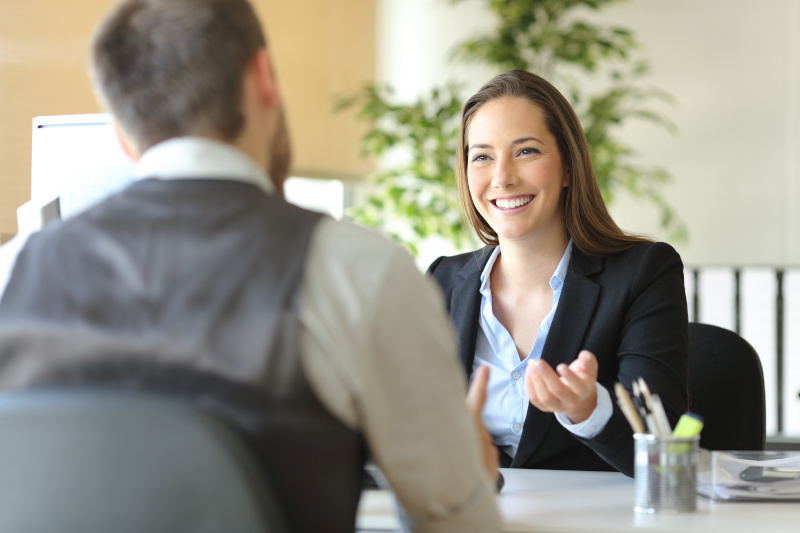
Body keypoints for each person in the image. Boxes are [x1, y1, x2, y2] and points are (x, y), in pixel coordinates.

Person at [0, 1, 502, 531]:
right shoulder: (359, 271)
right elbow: (456, 524)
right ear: (263, 77)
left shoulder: (15, 271)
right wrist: (467, 480)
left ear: (122, 134)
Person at [428, 70, 689, 477]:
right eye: (481, 156)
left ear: (568, 167)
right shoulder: (442, 280)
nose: (502, 177)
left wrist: (589, 411)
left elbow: (664, 455)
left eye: (527, 151)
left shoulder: (644, 273)